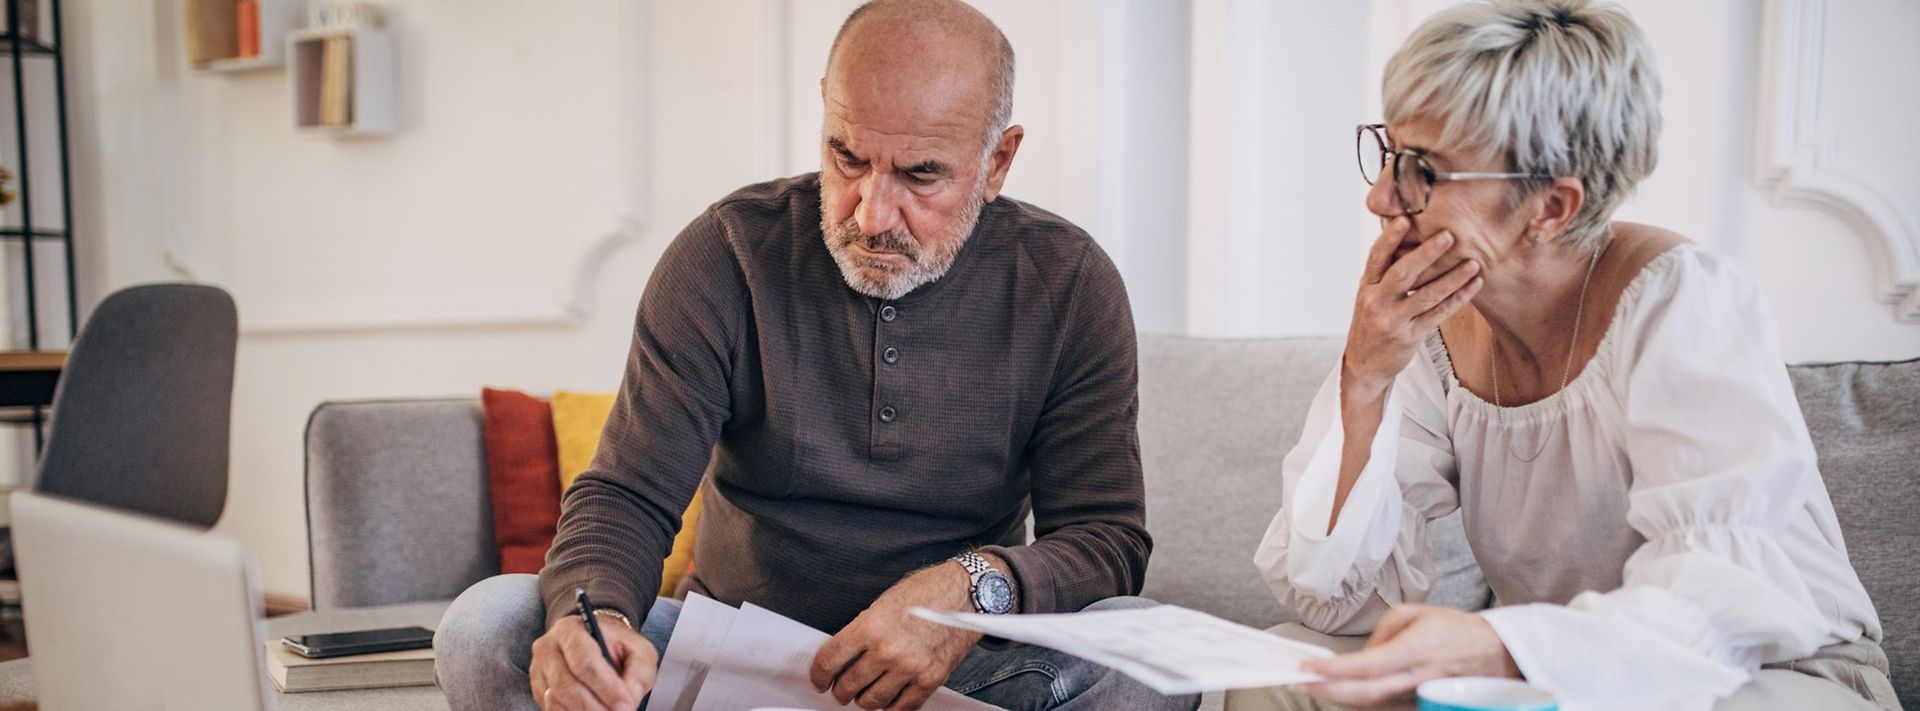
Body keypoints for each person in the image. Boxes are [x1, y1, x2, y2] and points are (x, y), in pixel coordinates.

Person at [433, 1, 1198, 710]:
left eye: (919, 174)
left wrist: (975, 589)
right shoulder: (726, 254)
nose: (871, 212)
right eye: (847, 157)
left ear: (997, 162)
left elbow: (1106, 540)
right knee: (485, 626)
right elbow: (627, 495)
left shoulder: (1068, 284)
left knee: (1150, 652)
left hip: (963, 672)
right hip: (731, 660)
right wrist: (590, 621)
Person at [1235, 1, 1897, 709]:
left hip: (1762, 675)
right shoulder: (1435, 333)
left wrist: (1502, 646)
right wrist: (1365, 377)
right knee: (1284, 682)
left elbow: (1723, 596)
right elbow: (1337, 602)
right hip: (1555, 678)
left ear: (1551, 206)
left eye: (1421, 169)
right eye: (1388, 152)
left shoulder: (1682, 300)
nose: (1378, 197)